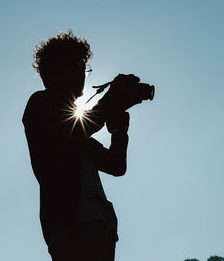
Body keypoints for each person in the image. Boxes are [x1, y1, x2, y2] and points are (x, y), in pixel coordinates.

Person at [22, 30, 141, 261]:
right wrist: (111, 100)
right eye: (76, 65)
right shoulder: (40, 104)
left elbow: (117, 166)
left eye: (83, 67)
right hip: (72, 227)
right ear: (55, 71)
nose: (82, 74)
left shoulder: (78, 138)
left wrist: (119, 132)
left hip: (98, 226)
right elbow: (74, 131)